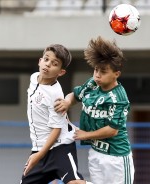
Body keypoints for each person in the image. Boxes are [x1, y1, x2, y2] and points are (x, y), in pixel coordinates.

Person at [54, 36, 135, 184]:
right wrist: (67, 102)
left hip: (116, 157)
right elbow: (75, 95)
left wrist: (86, 135)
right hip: (96, 153)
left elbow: (112, 130)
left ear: (116, 74)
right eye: (96, 70)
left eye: (103, 71)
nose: (97, 75)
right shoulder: (92, 84)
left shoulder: (118, 98)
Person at [20, 44, 92, 184]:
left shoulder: (55, 93)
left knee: (74, 182)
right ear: (40, 61)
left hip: (60, 147)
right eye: (46, 59)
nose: (48, 65)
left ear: (61, 72)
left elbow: (57, 129)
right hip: (39, 148)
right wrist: (39, 153)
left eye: (55, 64)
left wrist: (39, 155)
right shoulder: (34, 78)